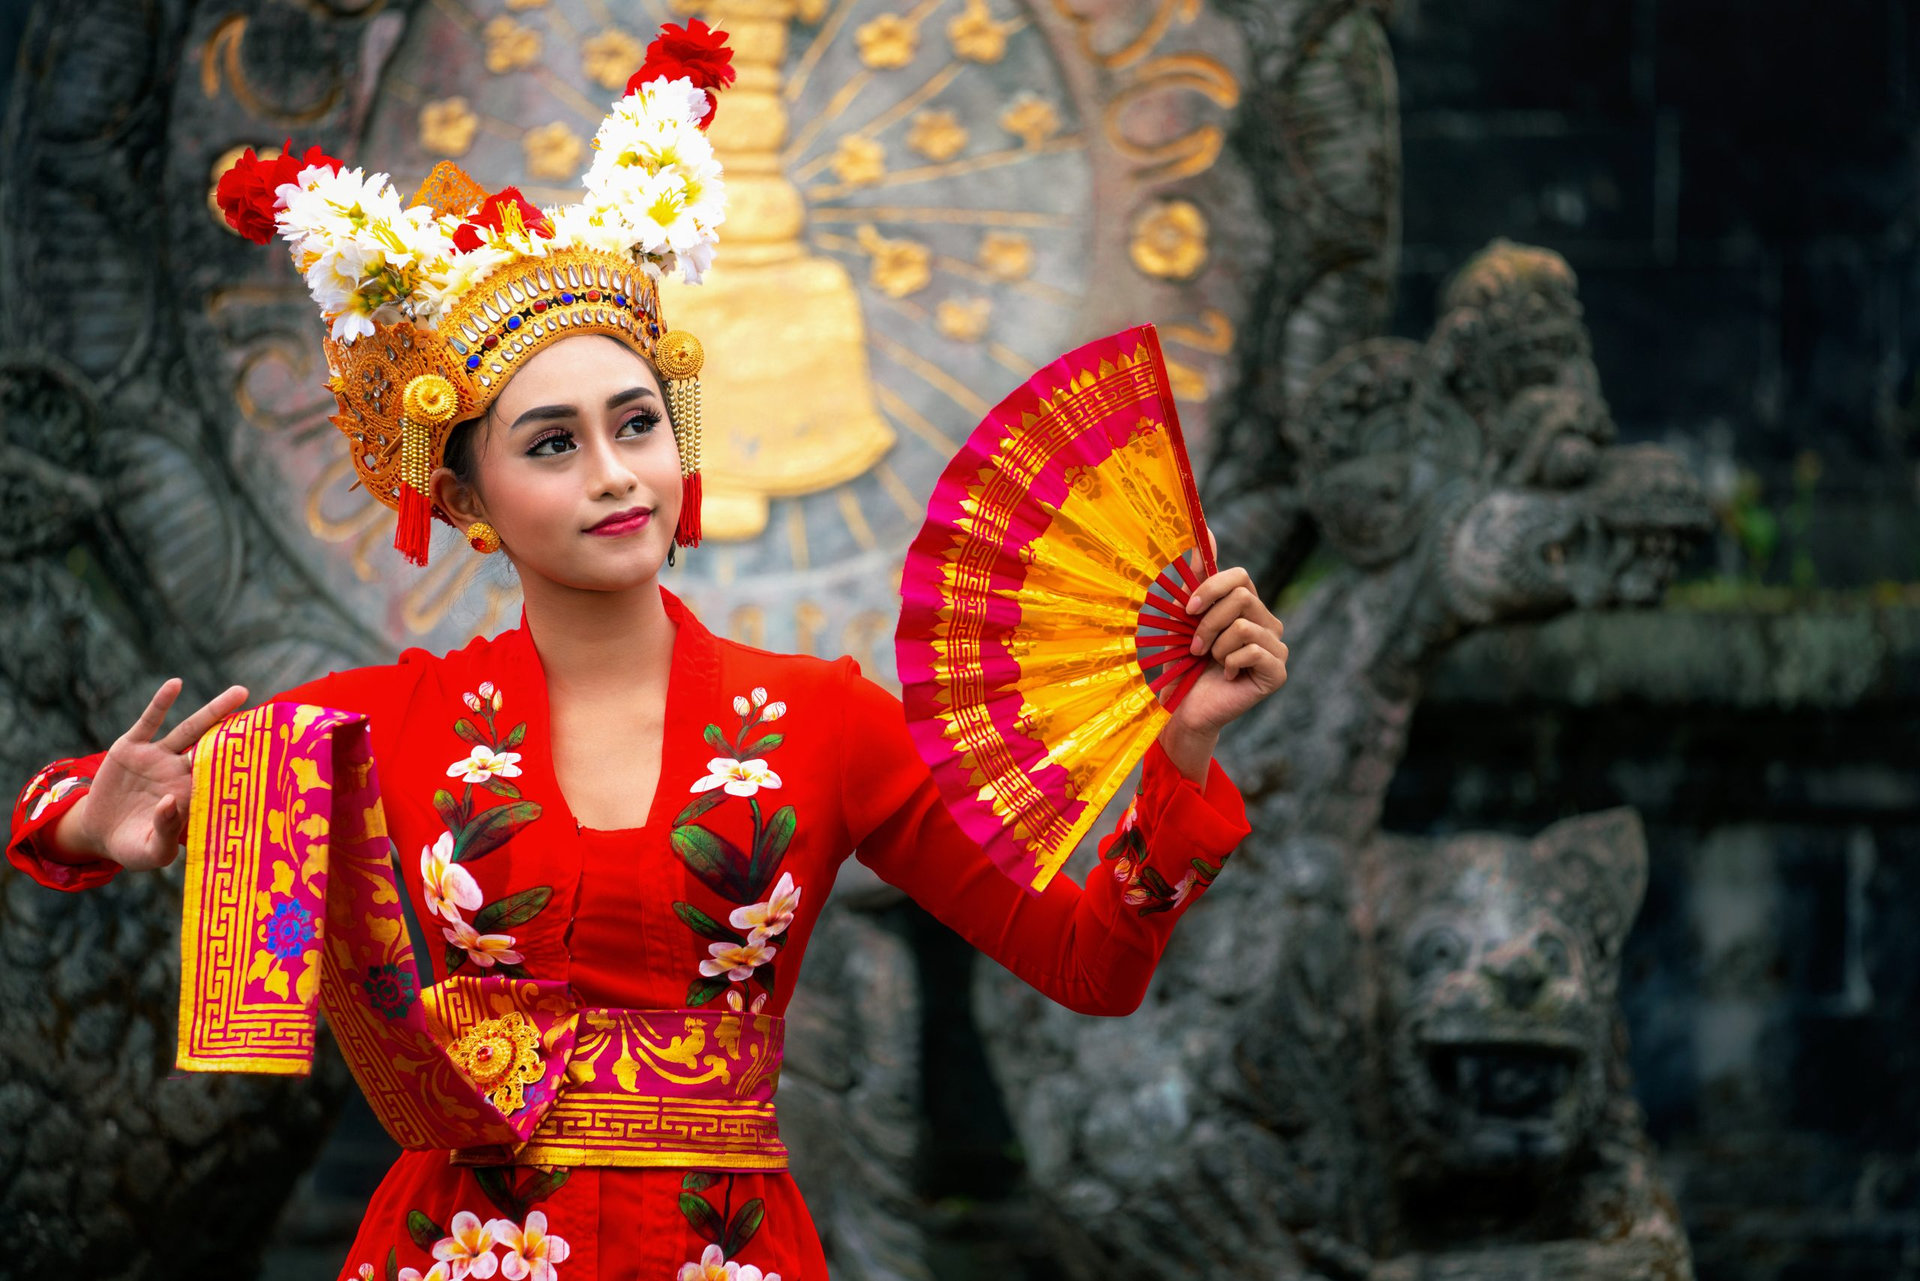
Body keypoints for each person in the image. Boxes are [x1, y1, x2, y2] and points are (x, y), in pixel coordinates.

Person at [4, 21, 1287, 1281]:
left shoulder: (826, 722)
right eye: (553, 444)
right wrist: (90, 826)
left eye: (636, 424)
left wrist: (1183, 751)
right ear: (464, 500)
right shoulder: (374, 724)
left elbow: (1090, 966)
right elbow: (82, 826)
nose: (616, 475)